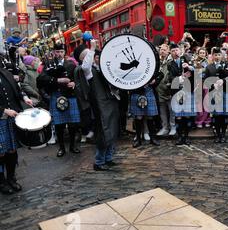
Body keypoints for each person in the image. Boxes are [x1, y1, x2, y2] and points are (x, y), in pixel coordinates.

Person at [81, 40, 120, 171]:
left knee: (112, 131)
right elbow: (85, 66)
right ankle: (99, 161)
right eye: (96, 57)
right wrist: (92, 48)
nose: (98, 59)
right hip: (100, 106)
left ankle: (108, 158)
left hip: (111, 103)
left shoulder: (106, 71)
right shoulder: (90, 71)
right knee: (104, 132)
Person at [37, 44, 81, 158]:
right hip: (56, 96)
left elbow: (79, 79)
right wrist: (58, 80)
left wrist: (74, 83)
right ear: (54, 52)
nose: (59, 54)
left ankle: (72, 145)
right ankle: (61, 148)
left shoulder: (71, 64)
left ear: (64, 52)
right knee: (59, 125)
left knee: (73, 124)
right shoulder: (48, 65)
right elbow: (41, 79)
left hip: (70, 96)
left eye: (61, 51)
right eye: (57, 51)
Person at [0, 64, 33, 194]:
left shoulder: (6, 73)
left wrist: (25, 98)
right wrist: (4, 110)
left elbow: (17, 90)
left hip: (13, 118)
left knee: (12, 150)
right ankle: (1, 181)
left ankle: (11, 178)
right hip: (1, 118)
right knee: (1, 152)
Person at [204, 47, 228, 143]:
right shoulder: (209, 67)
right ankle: (217, 135)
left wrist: (223, 80)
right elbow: (205, 81)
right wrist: (213, 84)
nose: (217, 57)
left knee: (224, 116)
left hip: (225, 91)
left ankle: (223, 135)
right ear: (212, 56)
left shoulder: (227, 64)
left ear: (221, 55)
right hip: (214, 93)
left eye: (219, 55)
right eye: (215, 55)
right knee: (216, 116)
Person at [168, 43, 196, 145]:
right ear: (170, 53)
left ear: (180, 51)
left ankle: (186, 137)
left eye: (176, 50)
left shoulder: (187, 58)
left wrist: (189, 67)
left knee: (187, 116)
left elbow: (196, 71)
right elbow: (170, 78)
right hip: (177, 93)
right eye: (173, 51)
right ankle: (180, 137)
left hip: (188, 91)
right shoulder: (170, 64)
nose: (175, 52)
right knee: (179, 117)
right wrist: (180, 78)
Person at [129, 78, 161, 148]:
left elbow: (160, 74)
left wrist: (154, 81)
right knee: (138, 117)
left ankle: (153, 138)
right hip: (136, 92)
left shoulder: (152, 67)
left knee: (150, 116)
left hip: (148, 91)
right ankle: (138, 139)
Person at [156, 44, 177, 137]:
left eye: (164, 50)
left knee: (171, 109)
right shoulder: (157, 62)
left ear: (168, 51)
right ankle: (165, 127)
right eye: (161, 50)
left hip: (168, 90)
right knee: (162, 110)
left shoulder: (171, 62)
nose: (162, 51)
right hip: (159, 90)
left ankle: (173, 127)